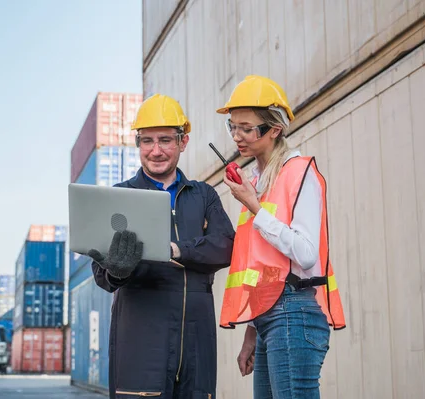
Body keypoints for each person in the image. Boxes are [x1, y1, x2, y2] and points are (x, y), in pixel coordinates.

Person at [88, 93, 236, 399]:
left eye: (165, 140)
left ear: (183, 142)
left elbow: (225, 246)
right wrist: (116, 270)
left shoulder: (203, 195)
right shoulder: (119, 197)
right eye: (147, 141)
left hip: (196, 346)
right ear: (138, 144)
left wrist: (177, 250)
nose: (156, 151)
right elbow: (103, 276)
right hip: (141, 345)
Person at [216, 75, 346, 399]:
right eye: (233, 127)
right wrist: (251, 332)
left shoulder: (299, 172)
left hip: (294, 311)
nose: (237, 136)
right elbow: (265, 268)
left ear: (274, 129)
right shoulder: (259, 181)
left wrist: (255, 208)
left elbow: (305, 253)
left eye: (247, 128)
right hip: (269, 318)